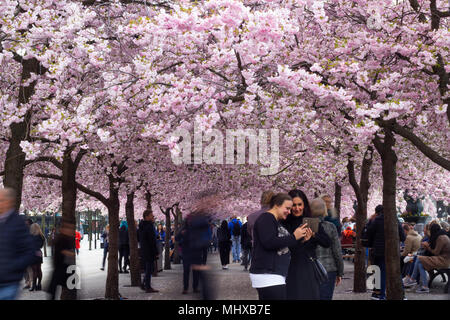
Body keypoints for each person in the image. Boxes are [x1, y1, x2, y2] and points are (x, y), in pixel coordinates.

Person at [250, 193, 309, 300]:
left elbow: (280, 243)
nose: (289, 212)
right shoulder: (266, 218)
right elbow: (269, 242)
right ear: (277, 205)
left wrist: (301, 239)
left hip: (272, 275)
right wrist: (294, 237)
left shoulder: (273, 220)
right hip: (268, 275)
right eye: (287, 208)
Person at [282, 189, 331, 300]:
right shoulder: (284, 222)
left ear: (304, 205)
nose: (297, 208)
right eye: (294, 205)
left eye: (300, 204)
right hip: (290, 269)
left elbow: (327, 242)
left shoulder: (311, 221)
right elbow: (286, 247)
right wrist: (299, 239)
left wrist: (313, 235)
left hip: (308, 268)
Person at [0, 188, 35, 300]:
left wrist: (13, 267)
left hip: (9, 283)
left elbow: (30, 252)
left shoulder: (18, 223)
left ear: (9, 202)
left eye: (1, 200)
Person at [367, 205, 406, 300]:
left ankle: (380, 294)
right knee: (396, 272)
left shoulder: (376, 220)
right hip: (393, 251)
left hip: (379, 251)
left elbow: (369, 234)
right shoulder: (395, 219)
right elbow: (403, 236)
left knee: (380, 272)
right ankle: (401, 294)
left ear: (377, 212)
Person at [310, 198, 344, 300]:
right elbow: (337, 251)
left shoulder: (306, 226)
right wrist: (340, 272)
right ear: (324, 210)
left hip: (311, 269)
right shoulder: (331, 227)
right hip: (329, 268)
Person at [403, 223, 450, 293]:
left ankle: (413, 279)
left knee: (419, 258)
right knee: (420, 263)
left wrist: (427, 247)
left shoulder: (441, 238)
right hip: (442, 259)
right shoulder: (441, 235)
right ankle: (424, 286)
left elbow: (436, 252)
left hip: (443, 260)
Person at [47, 220, 76, 300]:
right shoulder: (61, 238)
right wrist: (71, 254)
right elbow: (61, 250)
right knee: (56, 288)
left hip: (64, 267)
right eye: (69, 229)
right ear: (63, 229)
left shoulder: (66, 238)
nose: (71, 231)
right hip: (62, 267)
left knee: (55, 288)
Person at [138, 210, 159, 293]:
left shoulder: (142, 225)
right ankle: (148, 286)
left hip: (144, 249)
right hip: (149, 250)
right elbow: (152, 240)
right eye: (151, 215)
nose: (153, 216)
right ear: (146, 216)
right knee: (149, 268)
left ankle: (144, 284)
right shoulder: (149, 226)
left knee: (148, 268)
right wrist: (156, 252)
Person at [29, 223, 45, 291]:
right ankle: (39, 285)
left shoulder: (30, 236)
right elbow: (41, 246)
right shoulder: (42, 236)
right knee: (39, 269)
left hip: (32, 253)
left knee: (34, 270)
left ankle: (33, 286)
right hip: (39, 252)